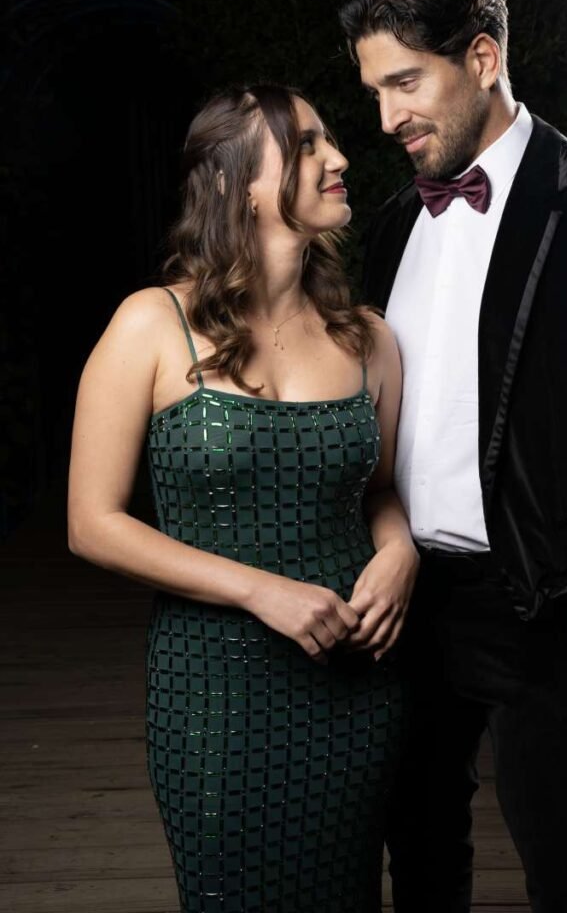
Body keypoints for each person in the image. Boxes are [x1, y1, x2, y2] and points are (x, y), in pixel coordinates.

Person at [338, 0, 567, 912]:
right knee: (419, 857)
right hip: (404, 596)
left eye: (405, 82)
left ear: (482, 58)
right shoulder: (390, 225)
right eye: (373, 92)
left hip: (540, 603)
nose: (386, 118)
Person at [67, 84, 419, 913]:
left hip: (355, 681)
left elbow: (378, 490)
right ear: (237, 183)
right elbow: (92, 524)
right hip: (213, 688)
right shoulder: (151, 323)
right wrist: (262, 591)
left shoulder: (368, 337)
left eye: (329, 139)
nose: (338, 158)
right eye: (305, 144)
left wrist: (400, 548)